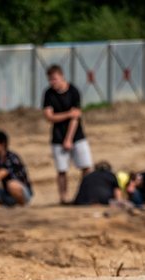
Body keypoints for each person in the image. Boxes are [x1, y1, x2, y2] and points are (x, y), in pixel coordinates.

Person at [42, 64, 92, 205]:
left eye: (54, 79)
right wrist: (68, 114)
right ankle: (63, 198)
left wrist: (69, 139)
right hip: (57, 137)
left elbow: (75, 118)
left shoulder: (74, 91)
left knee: (86, 166)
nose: (52, 82)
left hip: (77, 136)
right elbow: (49, 117)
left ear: (61, 76)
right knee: (62, 170)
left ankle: (85, 195)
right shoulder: (48, 93)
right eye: (50, 80)